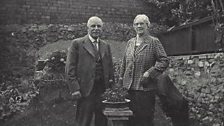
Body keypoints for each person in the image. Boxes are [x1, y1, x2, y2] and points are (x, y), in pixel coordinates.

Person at [119, 14, 170, 126]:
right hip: (128, 89)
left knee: (144, 120)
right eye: (136, 24)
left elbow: (164, 61)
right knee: (129, 120)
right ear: (133, 26)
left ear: (147, 25)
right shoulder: (130, 42)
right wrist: (121, 79)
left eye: (142, 23)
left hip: (145, 89)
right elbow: (124, 62)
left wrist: (149, 73)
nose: (139, 26)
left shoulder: (153, 42)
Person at [65, 16, 114, 126]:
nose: (96, 28)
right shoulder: (77, 44)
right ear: (87, 28)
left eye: (99, 26)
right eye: (93, 26)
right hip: (85, 90)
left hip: (102, 89)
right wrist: (75, 89)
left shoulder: (106, 46)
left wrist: (111, 89)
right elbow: (70, 68)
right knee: (84, 121)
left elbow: (110, 68)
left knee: (102, 121)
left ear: (102, 29)